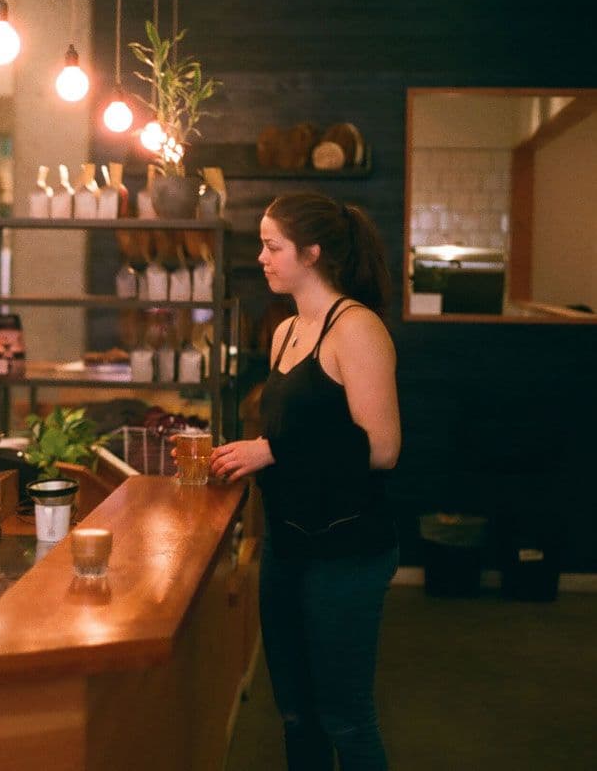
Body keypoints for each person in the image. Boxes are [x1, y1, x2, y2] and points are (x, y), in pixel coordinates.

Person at [210, 192, 400, 770]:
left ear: (312, 253)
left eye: (273, 246)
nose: (261, 258)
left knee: (345, 715)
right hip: (288, 544)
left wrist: (270, 449)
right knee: (295, 714)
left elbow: (383, 449)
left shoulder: (357, 329)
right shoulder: (287, 330)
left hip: (347, 549)